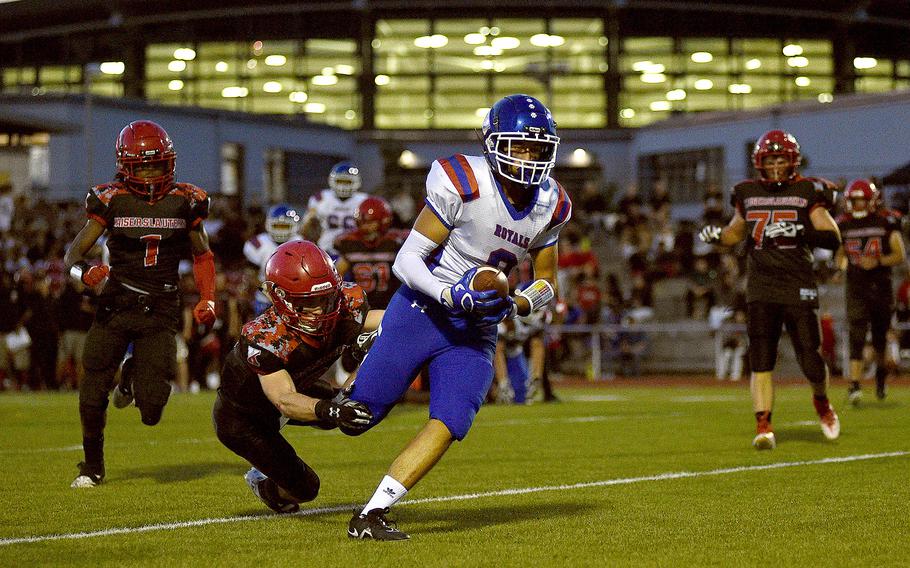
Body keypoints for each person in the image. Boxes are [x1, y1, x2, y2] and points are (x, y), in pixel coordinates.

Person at [343, 94, 570, 540]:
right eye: (517, 146)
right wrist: (451, 292)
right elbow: (407, 261)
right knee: (358, 415)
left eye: (536, 148)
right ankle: (268, 441)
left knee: (452, 418)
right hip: (422, 309)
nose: (527, 158)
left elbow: (547, 283)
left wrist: (517, 305)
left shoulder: (552, 204)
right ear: (492, 143)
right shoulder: (464, 180)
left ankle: (372, 513)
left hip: (476, 329)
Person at [65, 120, 217, 488]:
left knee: (152, 410)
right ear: (126, 165)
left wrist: (208, 298)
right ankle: (93, 466)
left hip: (161, 306)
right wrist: (85, 277)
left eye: (156, 165)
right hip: (116, 303)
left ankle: (132, 377)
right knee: (93, 387)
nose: (150, 174)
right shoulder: (111, 198)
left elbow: (202, 256)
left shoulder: (186, 200)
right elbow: (73, 256)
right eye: (143, 166)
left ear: (170, 163)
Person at [699, 129, 841, 450]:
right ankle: (763, 424)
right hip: (761, 286)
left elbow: (832, 238)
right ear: (759, 162)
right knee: (761, 358)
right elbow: (735, 233)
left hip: (797, 283)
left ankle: (821, 402)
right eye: (770, 159)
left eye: (780, 159)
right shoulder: (746, 193)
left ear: (792, 161)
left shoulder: (808, 191)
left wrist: (800, 227)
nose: (776, 165)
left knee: (811, 359)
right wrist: (716, 237)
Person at [213, 240, 378, 513]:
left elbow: (389, 322)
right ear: (281, 299)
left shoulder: (348, 301)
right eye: (309, 302)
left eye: (326, 299)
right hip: (245, 417)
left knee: (344, 406)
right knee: (304, 489)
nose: (321, 310)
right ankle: (265, 484)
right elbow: (284, 400)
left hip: (296, 383)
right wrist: (330, 410)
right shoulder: (265, 337)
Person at [835, 179, 906, 403]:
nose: (856, 205)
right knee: (856, 335)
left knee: (879, 339)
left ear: (871, 201)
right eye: (853, 201)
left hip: (880, 286)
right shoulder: (843, 224)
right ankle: (855, 385)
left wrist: (878, 261)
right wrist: (842, 266)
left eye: (860, 200)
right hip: (856, 286)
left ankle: (881, 378)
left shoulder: (886, 221)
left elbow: (899, 254)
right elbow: (840, 255)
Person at [333, 196, 405, 311]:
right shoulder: (350, 244)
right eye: (362, 222)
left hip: (388, 304)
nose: (365, 227)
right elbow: (335, 278)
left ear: (383, 221)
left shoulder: (393, 243)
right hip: (359, 306)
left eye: (370, 222)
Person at [244, 204, 302, 315]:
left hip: (295, 300)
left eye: (284, 227)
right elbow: (252, 277)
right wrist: (272, 296)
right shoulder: (258, 244)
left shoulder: (301, 244)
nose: (280, 231)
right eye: (277, 226)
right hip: (265, 300)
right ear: (269, 225)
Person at [302, 162, 369, 256]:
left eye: (347, 182)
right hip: (325, 250)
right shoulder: (321, 198)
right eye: (340, 181)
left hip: (355, 250)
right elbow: (307, 227)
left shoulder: (364, 200)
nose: (343, 186)